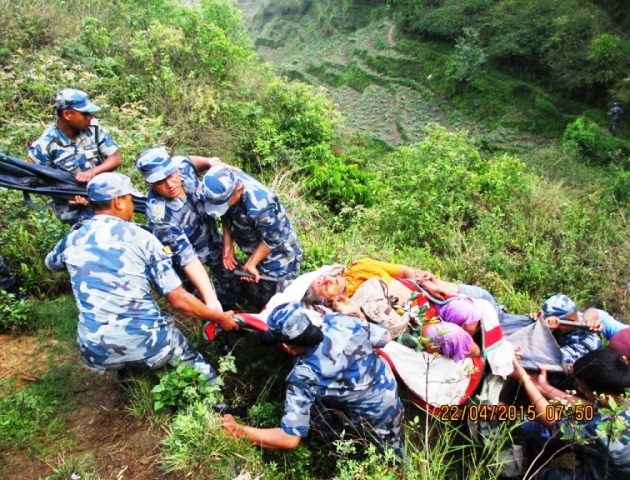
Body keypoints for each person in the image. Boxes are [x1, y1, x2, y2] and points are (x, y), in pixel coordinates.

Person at [45, 172, 238, 380]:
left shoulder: (74, 236)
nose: (132, 205)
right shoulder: (143, 238)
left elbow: (51, 264)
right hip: (150, 345)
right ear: (119, 201)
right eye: (129, 198)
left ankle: (129, 378)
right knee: (201, 372)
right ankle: (219, 407)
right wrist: (219, 317)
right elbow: (179, 300)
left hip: (94, 351)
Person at [220, 302, 403, 456]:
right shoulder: (342, 322)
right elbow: (384, 337)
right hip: (390, 394)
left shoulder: (304, 376)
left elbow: (289, 439)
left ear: (286, 346)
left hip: (375, 418)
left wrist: (239, 431)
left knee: (389, 455)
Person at [302, 258, 483, 361]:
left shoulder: (360, 266)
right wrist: (355, 312)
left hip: (427, 300)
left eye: (323, 278)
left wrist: (427, 286)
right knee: (452, 335)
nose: (327, 281)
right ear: (326, 300)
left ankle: (474, 347)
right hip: (414, 326)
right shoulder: (343, 308)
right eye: (324, 288)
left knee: (465, 312)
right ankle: (479, 360)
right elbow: (368, 333)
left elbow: (404, 271)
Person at [136, 147, 240, 309]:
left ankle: (232, 301)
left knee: (234, 281)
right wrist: (211, 299)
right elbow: (189, 260)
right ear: (148, 183)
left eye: (170, 175)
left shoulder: (181, 167)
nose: (170, 184)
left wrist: (210, 162)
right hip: (188, 257)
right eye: (159, 182)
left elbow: (189, 161)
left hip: (212, 240)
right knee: (202, 298)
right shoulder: (160, 217)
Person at [512, 349, 630, 479]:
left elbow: (553, 421)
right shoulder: (620, 396)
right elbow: (590, 407)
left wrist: (525, 379)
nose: (579, 391)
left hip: (608, 475)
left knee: (544, 476)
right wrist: (543, 387)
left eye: (582, 389)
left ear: (603, 396)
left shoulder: (599, 429)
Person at [202, 167, 303, 310]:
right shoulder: (222, 182)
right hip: (255, 244)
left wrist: (251, 263)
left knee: (276, 295)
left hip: (278, 253)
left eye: (224, 203)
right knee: (257, 285)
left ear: (238, 190)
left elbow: (273, 239)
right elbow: (226, 213)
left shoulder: (261, 205)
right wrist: (228, 243)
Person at [29, 88, 121, 224]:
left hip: (105, 202)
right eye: (85, 114)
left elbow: (115, 158)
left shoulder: (93, 128)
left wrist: (92, 172)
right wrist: (68, 196)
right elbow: (42, 184)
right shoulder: (44, 147)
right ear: (67, 114)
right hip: (75, 212)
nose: (90, 117)